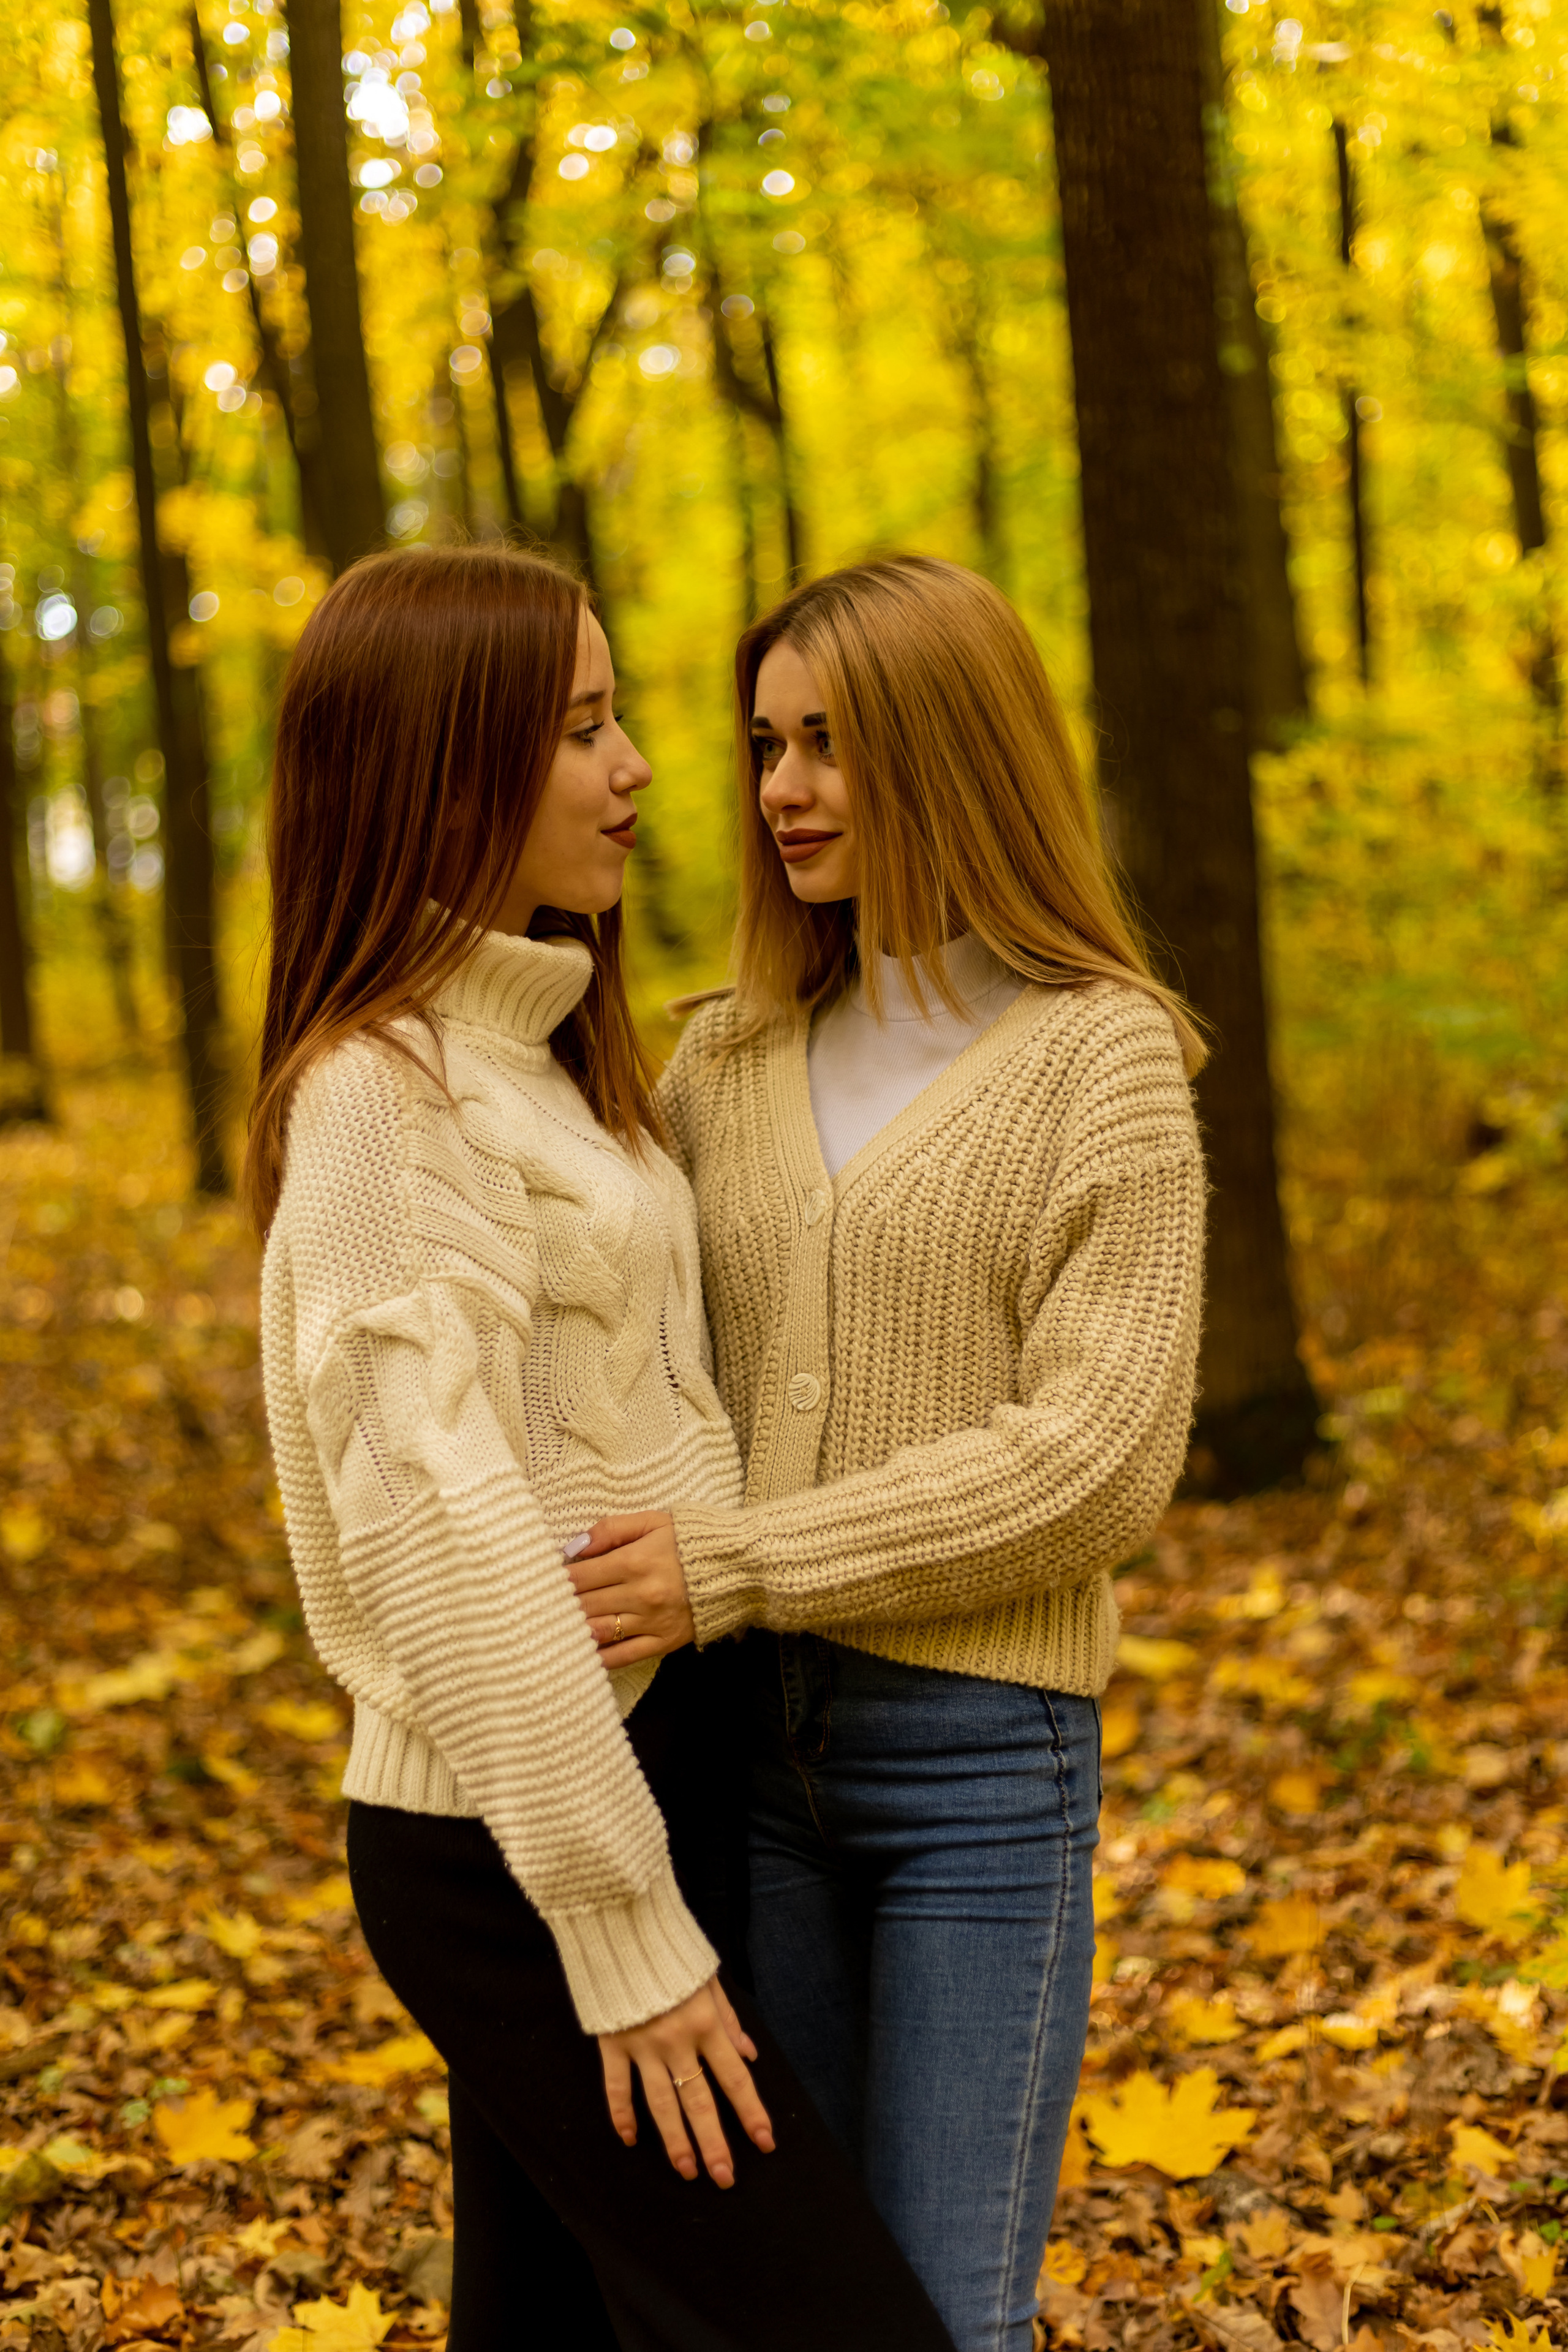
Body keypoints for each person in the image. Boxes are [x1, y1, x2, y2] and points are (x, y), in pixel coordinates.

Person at [248, 545, 956, 2352]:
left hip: (645, 1775)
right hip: (517, 1832)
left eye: (620, 714)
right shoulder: (377, 1106)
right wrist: (619, 1927)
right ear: (446, 762)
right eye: (583, 727)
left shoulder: (545, 1064)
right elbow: (445, 1534)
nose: (640, 764)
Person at [567, 555, 1208, 2352]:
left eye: (834, 744)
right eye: (768, 744)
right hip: (744, 1755)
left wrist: (739, 1564)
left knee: (941, 2316)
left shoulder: (1106, 1063)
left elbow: (1097, 1460)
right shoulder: (725, 1059)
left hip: (979, 1775)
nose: (783, 790)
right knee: (792, 2311)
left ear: (953, 748)